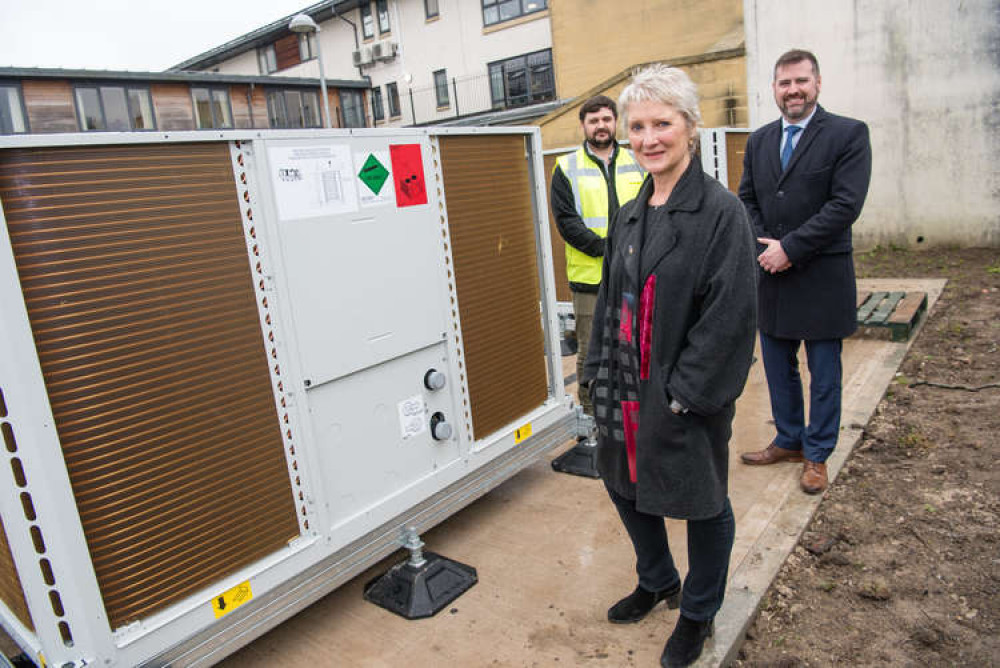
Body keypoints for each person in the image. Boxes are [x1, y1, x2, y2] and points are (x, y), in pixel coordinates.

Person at [580, 65, 757, 668]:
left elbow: (730, 316)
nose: (648, 137)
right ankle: (658, 578)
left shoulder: (721, 213)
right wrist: (594, 371)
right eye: (638, 126)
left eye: (662, 123)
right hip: (624, 386)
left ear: (690, 126)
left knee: (704, 501)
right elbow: (608, 301)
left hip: (681, 392)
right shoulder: (633, 212)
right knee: (623, 482)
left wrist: (686, 394)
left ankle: (699, 611)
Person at [737, 49, 872, 495]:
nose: (792, 90)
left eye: (800, 81)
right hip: (770, 275)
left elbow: (844, 205)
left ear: (817, 84)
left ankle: (817, 454)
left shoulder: (848, 134)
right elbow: (748, 199)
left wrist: (790, 249)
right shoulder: (758, 142)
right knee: (778, 367)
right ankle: (790, 439)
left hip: (820, 275)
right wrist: (765, 247)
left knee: (824, 372)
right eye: (784, 83)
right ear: (773, 89)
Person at [551, 95, 645, 420]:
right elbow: (567, 222)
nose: (601, 126)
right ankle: (593, 418)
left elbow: (653, 211)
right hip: (590, 279)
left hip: (635, 273)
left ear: (614, 121)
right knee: (591, 351)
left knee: (633, 346)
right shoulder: (566, 167)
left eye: (606, 119)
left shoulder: (638, 161)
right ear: (583, 126)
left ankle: (631, 412)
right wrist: (608, 250)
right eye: (593, 121)